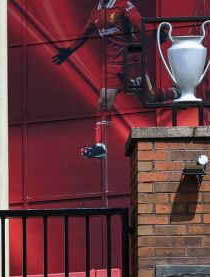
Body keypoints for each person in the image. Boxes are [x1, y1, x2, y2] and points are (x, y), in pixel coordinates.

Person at [53, 1, 153, 160]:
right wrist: (69, 51)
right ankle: (100, 146)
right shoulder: (96, 12)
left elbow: (139, 22)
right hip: (112, 66)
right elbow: (83, 35)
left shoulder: (122, 4)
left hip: (131, 61)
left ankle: (172, 92)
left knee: (149, 100)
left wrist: (155, 33)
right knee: (103, 102)